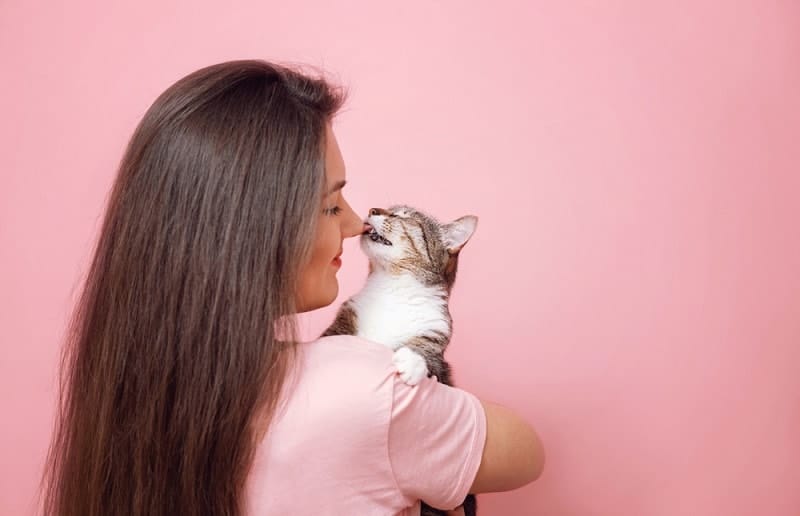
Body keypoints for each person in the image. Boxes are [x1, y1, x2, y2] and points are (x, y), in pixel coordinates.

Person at [39, 59, 544, 516]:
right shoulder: (362, 385)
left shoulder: (122, 392)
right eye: (330, 205)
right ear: (254, 229)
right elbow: (526, 453)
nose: (355, 224)